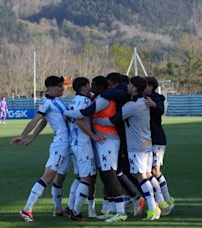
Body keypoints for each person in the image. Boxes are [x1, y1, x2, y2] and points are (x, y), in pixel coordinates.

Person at [92, 76, 162, 221]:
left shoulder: (132, 105)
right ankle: (156, 204)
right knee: (146, 175)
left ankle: (153, 207)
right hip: (146, 144)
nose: (127, 87)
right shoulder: (144, 102)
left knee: (141, 177)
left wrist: (93, 119)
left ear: (135, 88)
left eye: (129, 84)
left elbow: (112, 120)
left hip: (137, 147)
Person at [64, 76, 128, 223]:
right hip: (99, 141)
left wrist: (66, 112)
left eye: (93, 84)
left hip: (107, 140)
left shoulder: (103, 100)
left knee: (109, 175)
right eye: (89, 84)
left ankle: (120, 212)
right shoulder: (97, 98)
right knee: (101, 176)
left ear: (100, 86)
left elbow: (81, 115)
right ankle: (110, 209)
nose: (91, 87)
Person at [11, 76, 70, 223]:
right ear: (50, 88)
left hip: (67, 144)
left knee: (60, 177)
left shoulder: (57, 101)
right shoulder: (47, 103)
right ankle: (27, 209)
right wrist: (23, 135)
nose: (62, 88)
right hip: (60, 144)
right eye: (59, 86)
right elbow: (36, 120)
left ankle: (58, 209)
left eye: (62, 86)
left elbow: (44, 121)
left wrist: (32, 137)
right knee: (48, 176)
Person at [65, 77, 99, 221]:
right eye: (89, 85)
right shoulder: (84, 102)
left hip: (73, 143)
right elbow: (79, 120)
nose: (90, 88)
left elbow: (69, 118)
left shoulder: (73, 100)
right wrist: (93, 136)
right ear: (84, 87)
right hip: (83, 143)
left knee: (79, 177)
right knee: (86, 178)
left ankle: (70, 207)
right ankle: (76, 212)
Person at [144, 76, 175, 216]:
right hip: (145, 139)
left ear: (151, 86)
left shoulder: (157, 98)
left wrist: (154, 105)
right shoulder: (140, 98)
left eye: (145, 85)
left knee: (155, 171)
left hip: (156, 138)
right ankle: (160, 201)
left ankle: (167, 200)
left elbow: (160, 110)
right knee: (148, 171)